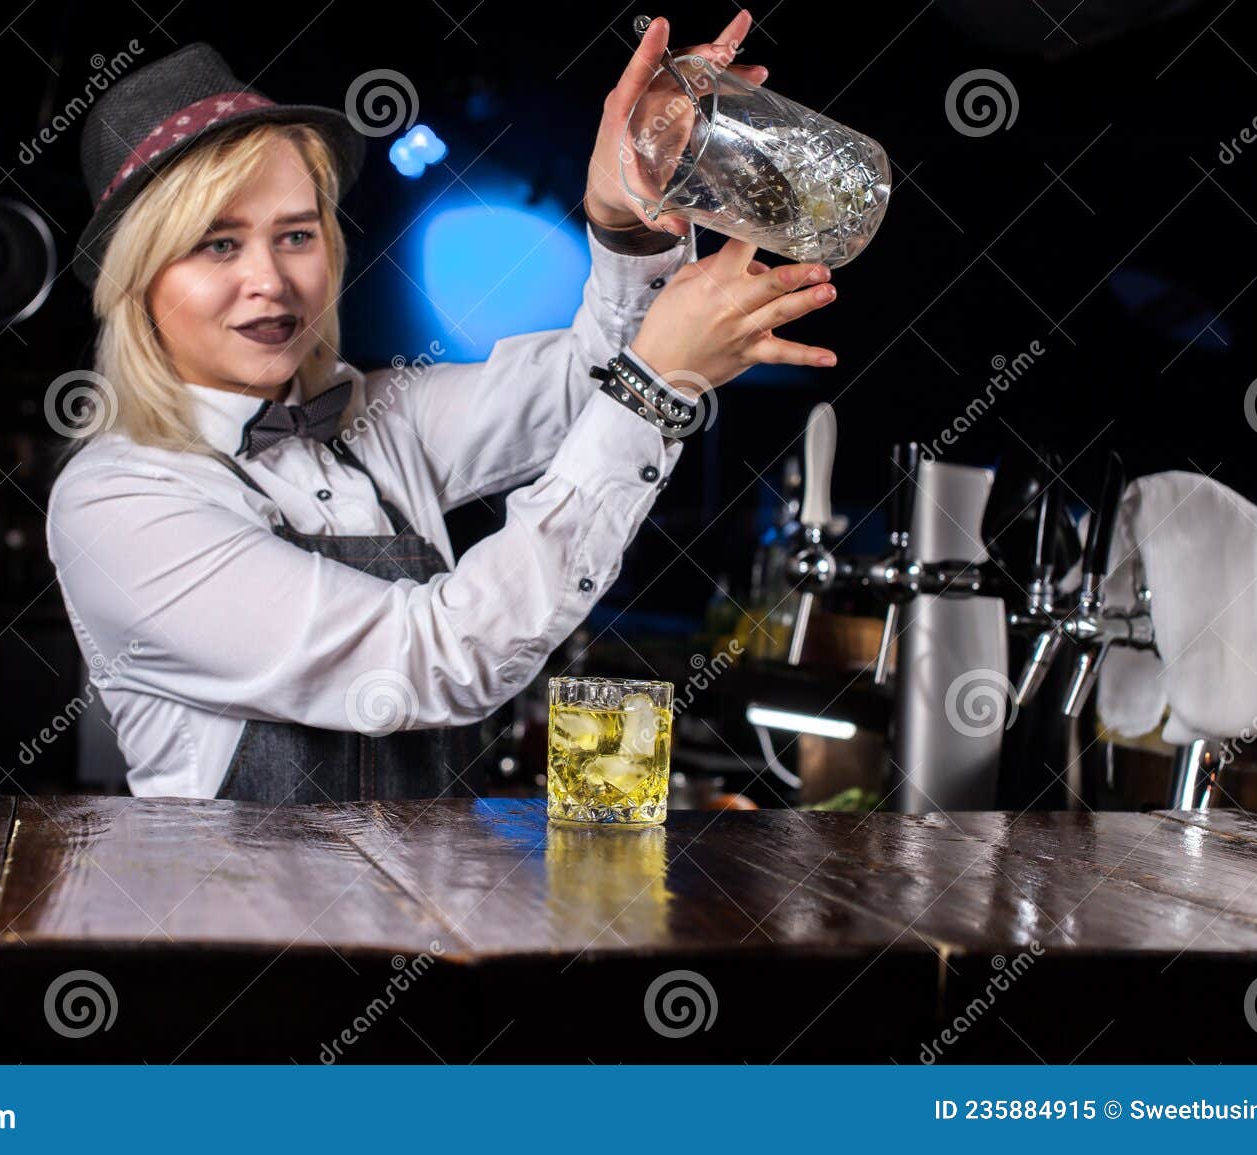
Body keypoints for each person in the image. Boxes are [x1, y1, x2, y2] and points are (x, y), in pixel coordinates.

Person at [47, 13, 839, 802]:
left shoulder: (376, 416)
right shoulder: (114, 500)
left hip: (428, 917)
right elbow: (428, 662)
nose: (272, 281)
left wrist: (624, 218)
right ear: (138, 279)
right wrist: (655, 391)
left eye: (296, 235)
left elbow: (592, 383)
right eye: (218, 244)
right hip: (240, 927)